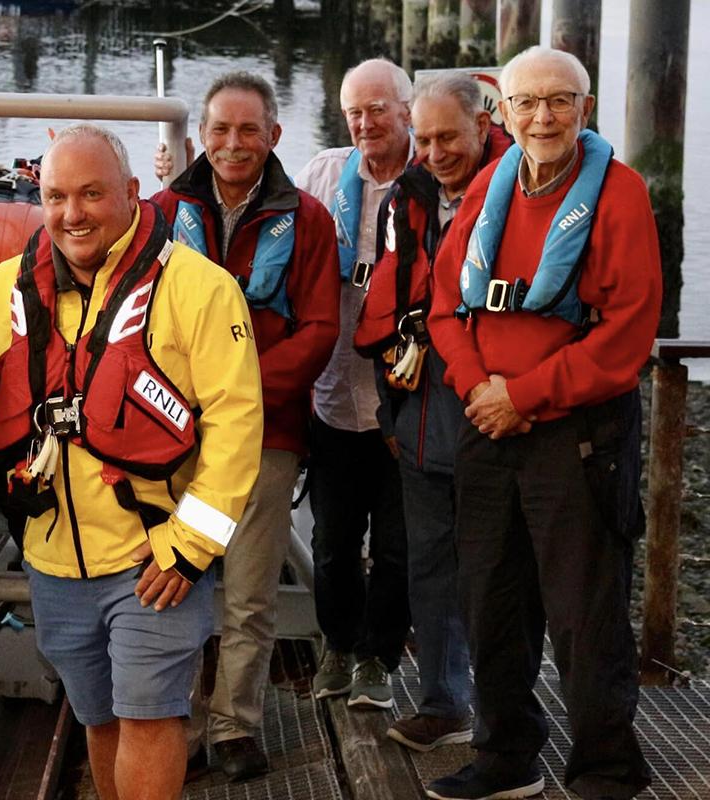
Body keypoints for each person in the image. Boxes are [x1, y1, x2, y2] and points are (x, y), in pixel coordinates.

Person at [0, 123, 263, 799]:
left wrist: (190, 546)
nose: (71, 213)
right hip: (52, 559)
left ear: (133, 193)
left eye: (90, 194)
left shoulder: (201, 289)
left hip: (152, 559)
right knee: (99, 718)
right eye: (55, 196)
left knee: (150, 717)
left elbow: (236, 426)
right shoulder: (3, 287)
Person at [427, 46, 658, 800]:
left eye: (560, 101)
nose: (543, 116)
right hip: (487, 425)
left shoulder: (619, 196)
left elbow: (625, 336)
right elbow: (444, 308)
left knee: (583, 611)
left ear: (584, 110)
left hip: (577, 432)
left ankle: (604, 769)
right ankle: (506, 757)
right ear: (505, 112)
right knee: (490, 601)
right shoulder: (489, 188)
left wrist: (522, 395)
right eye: (527, 102)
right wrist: (478, 388)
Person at [151, 71, 339, 782]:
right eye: (221, 129)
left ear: (274, 136)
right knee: (172, 580)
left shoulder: (311, 221)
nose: (234, 143)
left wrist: (238, 395)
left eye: (249, 130)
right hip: (173, 435)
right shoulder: (161, 212)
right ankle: (170, 718)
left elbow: (320, 330)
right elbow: (132, 321)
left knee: (251, 594)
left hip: (267, 434)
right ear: (202, 134)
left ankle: (234, 725)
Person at [353, 73, 510, 752]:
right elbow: (390, 306)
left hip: (492, 414)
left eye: (450, 135)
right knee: (430, 566)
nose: (437, 150)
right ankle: (443, 701)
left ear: (482, 126)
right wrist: (390, 417)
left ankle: (505, 722)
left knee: (499, 573)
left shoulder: (518, 190)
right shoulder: (408, 198)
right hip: (418, 411)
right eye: (425, 136)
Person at [294, 57, 414, 709]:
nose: (365, 123)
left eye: (377, 109)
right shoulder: (322, 173)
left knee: (398, 546)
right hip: (335, 394)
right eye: (354, 112)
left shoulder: (430, 182)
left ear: (407, 109)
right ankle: (338, 645)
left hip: (407, 396)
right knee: (333, 541)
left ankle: (381, 658)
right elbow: (273, 231)